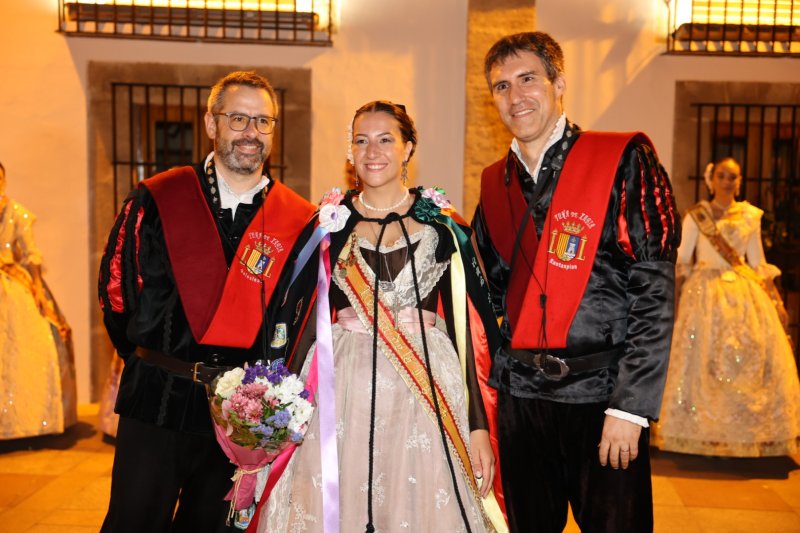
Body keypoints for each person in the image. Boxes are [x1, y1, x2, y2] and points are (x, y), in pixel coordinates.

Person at [250, 101, 506, 532]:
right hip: (340, 393)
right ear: (350, 151)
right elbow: (298, 322)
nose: (373, 150)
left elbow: (473, 338)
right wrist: (277, 409)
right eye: (361, 140)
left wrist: (479, 428)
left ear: (408, 149)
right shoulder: (328, 226)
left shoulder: (444, 227)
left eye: (386, 139)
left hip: (425, 395)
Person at [471, 32, 680, 532]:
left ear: (558, 83)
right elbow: (488, 296)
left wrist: (631, 409)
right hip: (521, 401)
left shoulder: (621, 160)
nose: (515, 96)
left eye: (527, 79)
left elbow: (654, 292)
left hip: (601, 397)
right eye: (501, 86)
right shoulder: (493, 183)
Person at [97, 71, 315, 533]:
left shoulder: (297, 219)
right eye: (238, 118)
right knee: (133, 522)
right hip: (156, 399)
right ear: (211, 124)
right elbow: (117, 293)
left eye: (263, 121)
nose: (251, 133)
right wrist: (156, 359)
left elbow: (299, 319)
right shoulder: (157, 198)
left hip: (241, 413)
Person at [652, 157, 800, 457]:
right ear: (711, 179)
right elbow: (682, 261)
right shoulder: (697, 216)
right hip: (704, 294)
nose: (727, 181)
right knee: (702, 362)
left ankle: (746, 434)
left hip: (746, 297)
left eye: (733, 177)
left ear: (739, 180)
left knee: (749, 359)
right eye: (722, 175)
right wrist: (674, 301)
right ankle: (702, 434)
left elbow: (757, 263)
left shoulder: (750, 216)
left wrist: (776, 301)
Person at [0, 161, 77, 440]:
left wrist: (38, 292)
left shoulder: (17, 213)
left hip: (11, 283)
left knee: (27, 346)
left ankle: (27, 421)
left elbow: (31, 255)